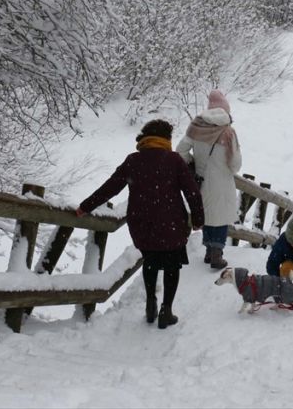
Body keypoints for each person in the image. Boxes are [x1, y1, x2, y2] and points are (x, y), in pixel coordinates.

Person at [77, 119, 204, 329]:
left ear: (145, 138)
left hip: (142, 224)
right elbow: (192, 192)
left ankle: (150, 303)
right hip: (171, 223)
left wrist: (85, 206)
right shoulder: (174, 160)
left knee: (151, 260)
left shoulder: (133, 161)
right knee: (172, 265)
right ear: (166, 139)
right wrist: (198, 219)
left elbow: (110, 187)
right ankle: (166, 310)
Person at [176, 89, 241, 270]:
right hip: (222, 182)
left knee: (207, 214)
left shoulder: (196, 127)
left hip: (201, 180)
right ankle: (216, 254)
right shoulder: (229, 132)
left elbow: (180, 151)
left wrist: (194, 162)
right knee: (220, 217)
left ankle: (208, 251)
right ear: (226, 111)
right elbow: (235, 164)